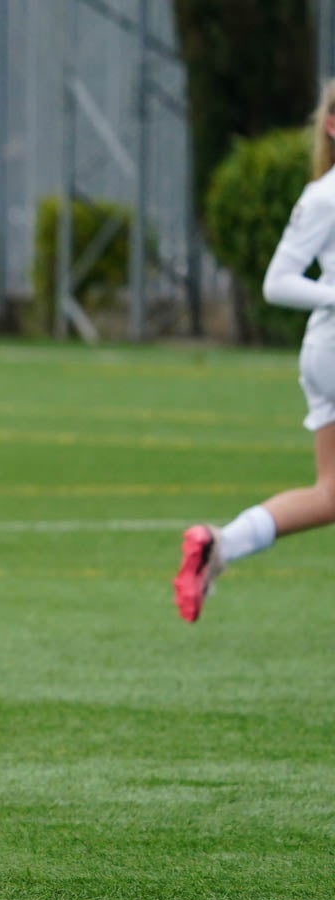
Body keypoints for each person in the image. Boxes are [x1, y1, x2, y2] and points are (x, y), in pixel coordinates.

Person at [175, 80, 335, 622]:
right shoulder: (326, 195)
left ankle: (220, 545)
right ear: (332, 125)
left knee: (331, 493)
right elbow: (277, 281)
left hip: (323, 350)